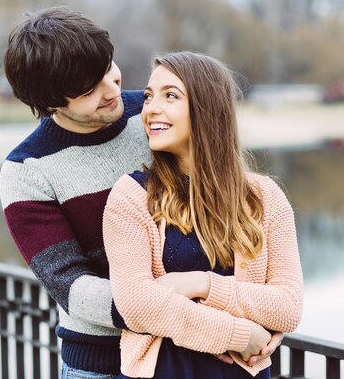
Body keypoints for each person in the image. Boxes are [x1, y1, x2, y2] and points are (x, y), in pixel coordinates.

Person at [0, 7, 282, 378]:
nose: (111, 90)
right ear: (52, 103)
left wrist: (255, 315)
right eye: (89, 90)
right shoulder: (27, 171)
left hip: (206, 357)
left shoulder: (156, 114)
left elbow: (224, 191)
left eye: (108, 70)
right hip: (103, 362)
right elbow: (73, 287)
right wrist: (218, 328)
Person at [102, 52, 303, 379]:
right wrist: (235, 333)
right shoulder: (131, 197)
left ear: (207, 108)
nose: (150, 107)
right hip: (165, 371)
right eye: (150, 96)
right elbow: (137, 305)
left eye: (170, 96)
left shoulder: (265, 197)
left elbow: (288, 306)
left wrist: (201, 284)